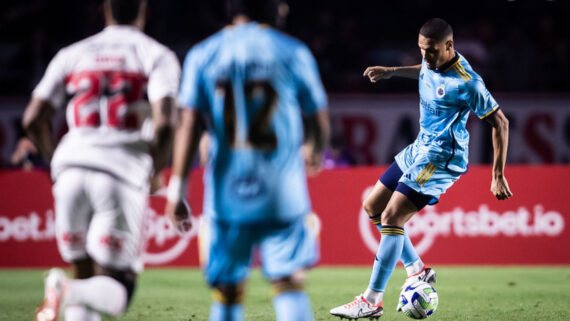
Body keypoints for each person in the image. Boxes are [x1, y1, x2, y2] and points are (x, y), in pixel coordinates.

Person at [330, 18, 512, 319]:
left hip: (441, 158)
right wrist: (391, 72)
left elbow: (501, 123)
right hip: (419, 147)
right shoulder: (431, 61)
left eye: (431, 51)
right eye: (421, 50)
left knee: (392, 216)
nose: (425, 57)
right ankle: (417, 270)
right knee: (373, 206)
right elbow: (424, 71)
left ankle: (371, 301)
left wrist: (497, 174)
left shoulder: (468, 83)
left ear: (449, 46)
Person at [164, 0, 330, 320]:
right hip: (282, 191)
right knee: (289, 282)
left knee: (226, 291)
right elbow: (319, 119)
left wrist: (177, 189)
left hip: (227, 196)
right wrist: (314, 148)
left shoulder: (203, 54)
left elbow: (187, 124)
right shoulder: (292, 51)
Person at [23, 0, 180, 320]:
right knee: (117, 290)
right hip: (120, 172)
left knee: (86, 276)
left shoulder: (73, 53)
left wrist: (56, 162)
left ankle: (70, 290)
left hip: (70, 171)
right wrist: (156, 167)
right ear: (144, 12)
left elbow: (33, 118)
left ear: (103, 10)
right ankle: (66, 290)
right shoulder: (156, 54)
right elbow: (165, 123)